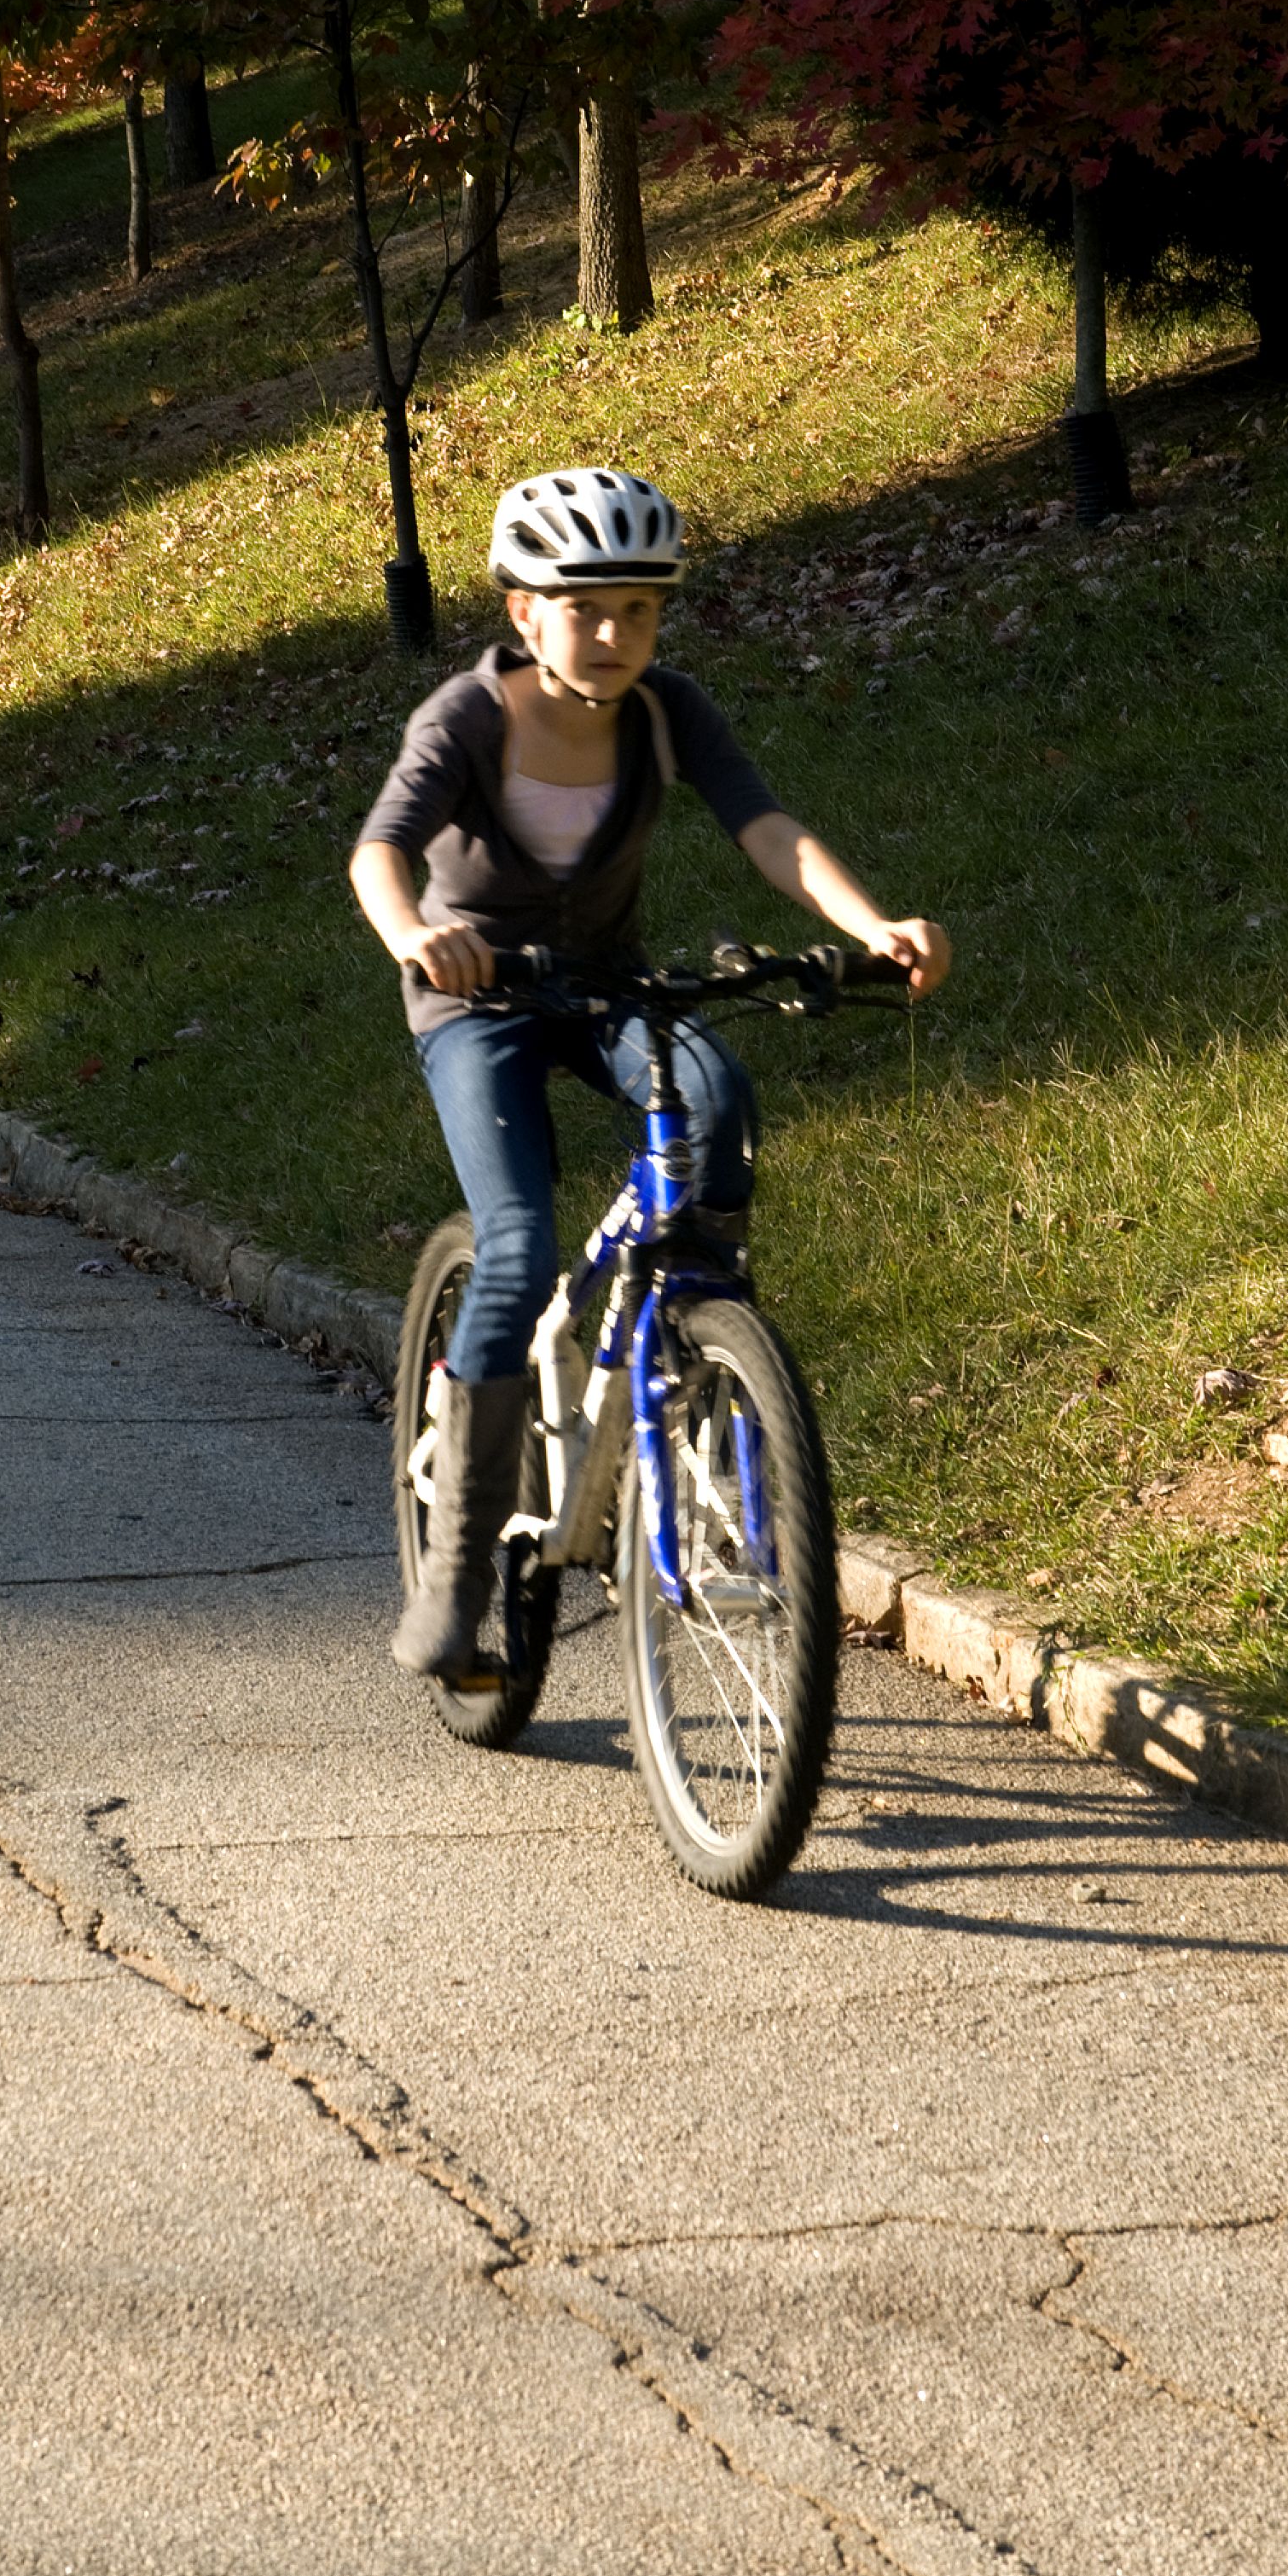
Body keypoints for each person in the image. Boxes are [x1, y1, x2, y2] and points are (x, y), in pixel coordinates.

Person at [351, 464, 951, 1680]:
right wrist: (419, 936)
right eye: (587, 610)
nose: (618, 634)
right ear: (525, 612)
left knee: (719, 1091)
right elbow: (380, 853)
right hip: (479, 1005)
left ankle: (697, 1336)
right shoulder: (462, 720)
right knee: (514, 1242)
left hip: (606, 985)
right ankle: (458, 1580)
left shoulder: (667, 711)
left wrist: (871, 922)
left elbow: (766, 827)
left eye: (640, 609)